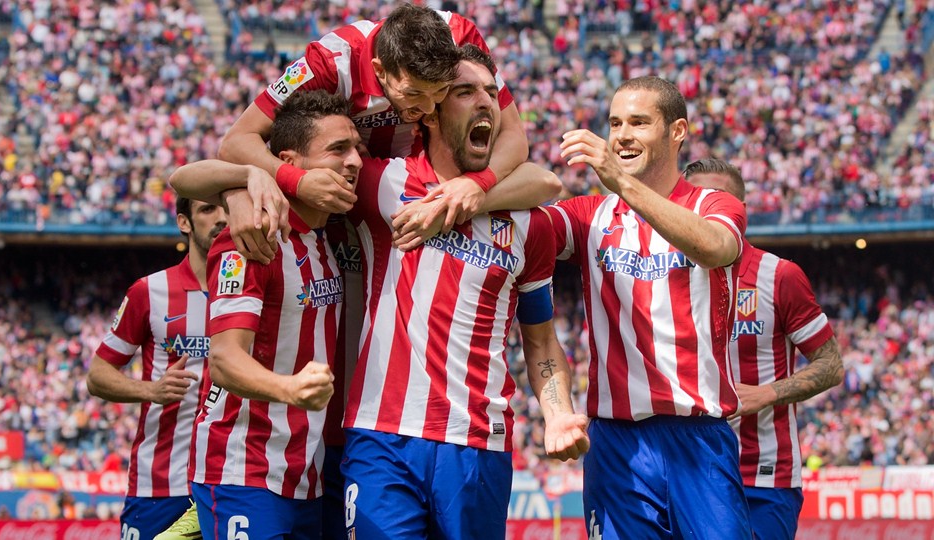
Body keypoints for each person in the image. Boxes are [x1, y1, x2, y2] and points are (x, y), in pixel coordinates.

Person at [341, 44, 589, 540]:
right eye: (465, 91)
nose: (486, 103)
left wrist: (558, 412)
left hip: (477, 444)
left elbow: (540, 343)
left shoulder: (527, 225)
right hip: (380, 435)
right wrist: (247, 191)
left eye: (491, 93)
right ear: (430, 111)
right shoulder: (382, 185)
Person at [546, 76, 752, 538]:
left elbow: (717, 247)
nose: (621, 135)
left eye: (639, 122)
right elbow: (527, 230)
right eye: (615, 122)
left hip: (699, 438)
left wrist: (619, 181)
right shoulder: (588, 215)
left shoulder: (715, 203)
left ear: (677, 131)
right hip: (617, 444)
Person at [170, 90, 362, 539]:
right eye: (338, 150)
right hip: (244, 469)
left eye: (358, 149)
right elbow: (224, 359)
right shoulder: (255, 237)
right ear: (290, 162)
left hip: (306, 476)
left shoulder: (323, 238)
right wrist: (290, 388)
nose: (354, 162)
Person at [217, 3, 530, 264]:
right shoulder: (329, 62)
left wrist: (475, 185)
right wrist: (294, 180)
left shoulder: (461, 37)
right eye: (413, 93)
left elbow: (513, 134)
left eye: (439, 92)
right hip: (346, 209)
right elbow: (237, 141)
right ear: (380, 71)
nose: (426, 107)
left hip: (421, 197)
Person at [685, 158, 844, 540]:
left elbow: (831, 365)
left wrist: (768, 393)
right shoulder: (662, 273)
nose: (706, 208)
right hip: (687, 471)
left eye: (718, 199)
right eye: (695, 198)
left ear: (740, 211)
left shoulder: (779, 276)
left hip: (761, 476)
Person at [87, 197, 226, 540]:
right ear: (184, 223)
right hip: (161, 485)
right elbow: (97, 375)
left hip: (232, 481)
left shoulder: (257, 288)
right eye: (208, 209)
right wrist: (151, 390)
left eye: (227, 207)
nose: (222, 217)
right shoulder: (150, 291)